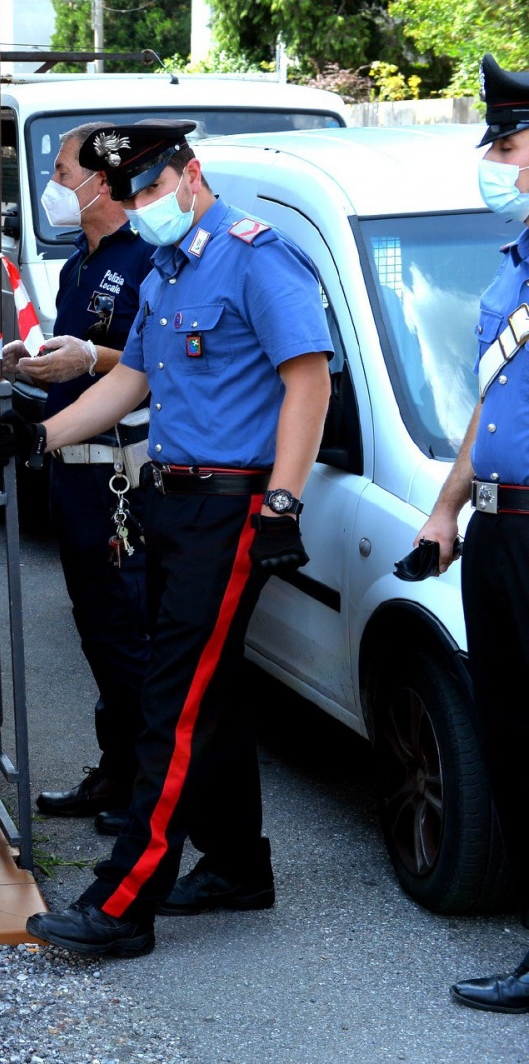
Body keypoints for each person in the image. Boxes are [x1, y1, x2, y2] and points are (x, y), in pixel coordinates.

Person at [10, 120, 333, 957]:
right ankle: (237, 866)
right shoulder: (167, 266)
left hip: (232, 508)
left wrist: (283, 503)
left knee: (171, 703)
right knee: (206, 695)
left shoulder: (257, 256)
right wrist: (40, 436)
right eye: (131, 192)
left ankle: (123, 904)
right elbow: (132, 377)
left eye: (153, 186)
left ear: (191, 174)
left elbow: (309, 381)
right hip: (171, 502)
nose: (143, 203)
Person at [414, 56, 529, 1015]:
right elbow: (492, 409)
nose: (493, 165)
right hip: (499, 528)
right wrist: (448, 506)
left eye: (508, 147)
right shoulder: (513, 266)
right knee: (512, 742)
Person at [3, 122, 155, 837]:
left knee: (127, 631)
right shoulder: (76, 265)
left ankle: (149, 788)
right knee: (96, 629)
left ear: (102, 180)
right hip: (71, 468)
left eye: (63, 171)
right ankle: (115, 769)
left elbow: (153, 365)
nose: (53, 186)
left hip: (122, 474)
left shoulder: (149, 259)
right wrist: (38, 364)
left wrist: (89, 359)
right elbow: (78, 362)